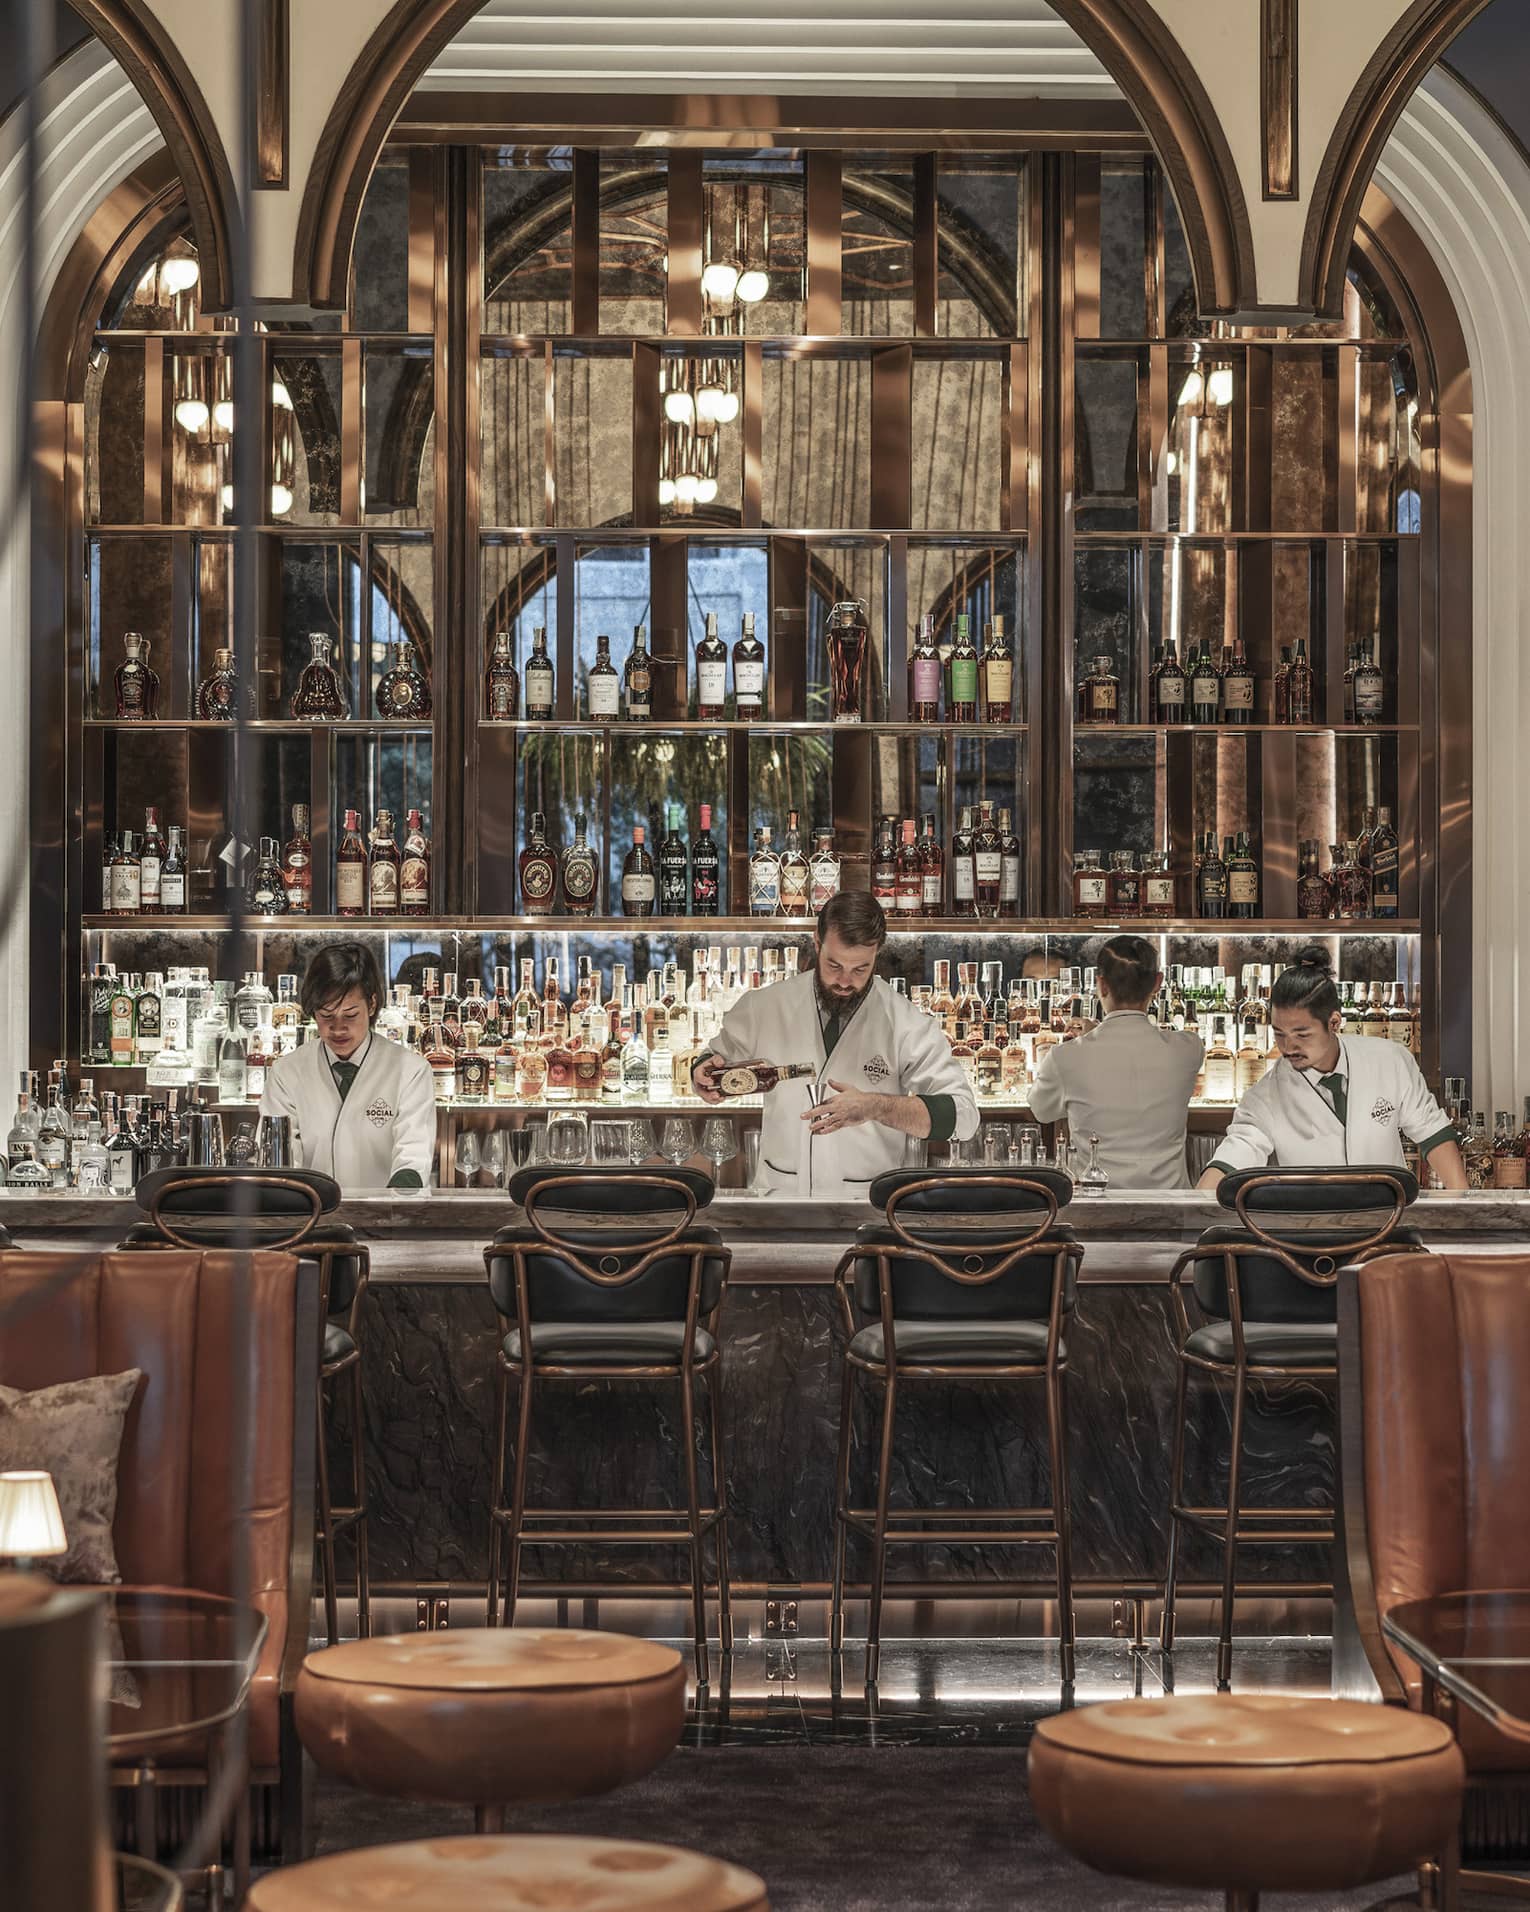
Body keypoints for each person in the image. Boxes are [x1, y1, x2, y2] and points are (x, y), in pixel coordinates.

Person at [691, 890, 979, 1198]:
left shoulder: (905, 1022)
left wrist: (876, 1106)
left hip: (868, 1204)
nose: (844, 981)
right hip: (781, 1199)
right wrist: (702, 1072)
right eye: (834, 965)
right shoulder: (765, 1006)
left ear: (877, 954)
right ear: (817, 942)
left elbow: (963, 1116)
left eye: (860, 969)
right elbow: (714, 1058)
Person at [1197, 946, 1466, 1189]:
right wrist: (1193, 1211)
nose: (1288, 1047)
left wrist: (1460, 1206)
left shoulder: (1390, 1061)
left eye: (1302, 1034)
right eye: (1279, 1033)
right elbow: (1233, 1157)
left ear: (1334, 1022)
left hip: (1387, 1224)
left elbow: (1432, 1133)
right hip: (1309, 1231)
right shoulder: (1264, 1097)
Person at [1027, 932, 1203, 1189]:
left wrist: (1089, 1038)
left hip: (1096, 1211)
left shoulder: (1065, 1058)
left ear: (1101, 984)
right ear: (1158, 983)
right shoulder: (1188, 1049)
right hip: (1169, 1214)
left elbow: (1040, 1111)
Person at [259, 943, 435, 1191]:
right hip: (311, 1220)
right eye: (326, 1015)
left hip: (385, 1220)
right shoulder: (287, 1073)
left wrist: (395, 1207)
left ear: (372, 1004)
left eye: (350, 1015)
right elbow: (281, 1164)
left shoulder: (410, 1071)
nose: (338, 1028)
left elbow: (413, 1155)